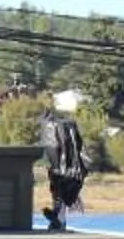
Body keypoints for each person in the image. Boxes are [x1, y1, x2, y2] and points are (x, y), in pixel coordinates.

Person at [38, 90, 89, 231]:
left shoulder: (59, 125)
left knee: (59, 191)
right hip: (63, 168)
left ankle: (58, 219)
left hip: (63, 169)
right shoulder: (62, 125)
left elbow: (69, 146)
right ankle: (58, 218)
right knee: (59, 190)